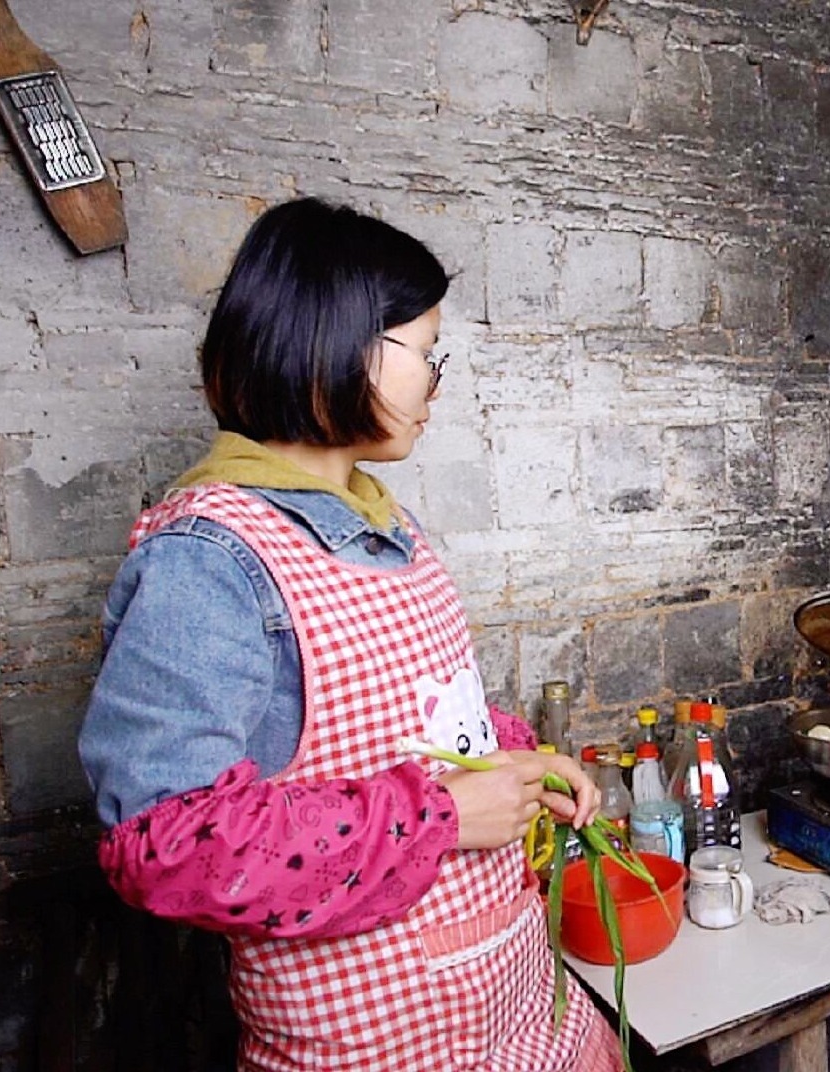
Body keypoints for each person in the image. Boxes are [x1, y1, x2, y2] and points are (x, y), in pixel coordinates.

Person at [78, 198, 619, 1072]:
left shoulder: (382, 524)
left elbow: (417, 724)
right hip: (373, 1048)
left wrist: (513, 759)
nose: (436, 382)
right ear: (336, 340)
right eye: (424, 352)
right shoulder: (208, 560)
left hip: (518, 1013)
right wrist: (443, 817)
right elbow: (165, 846)